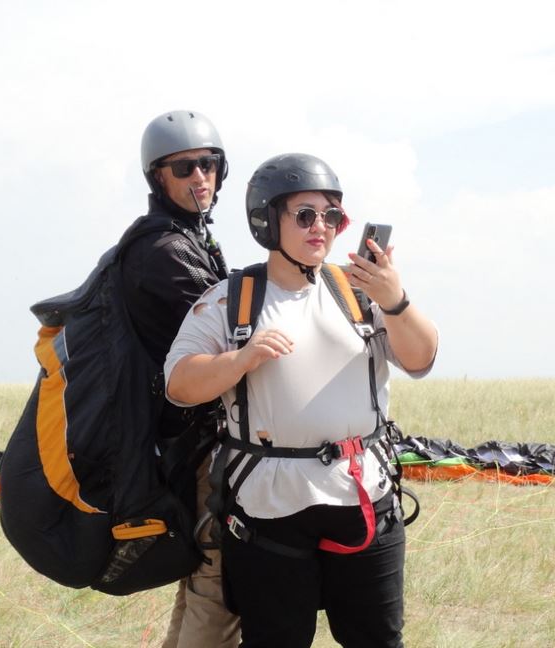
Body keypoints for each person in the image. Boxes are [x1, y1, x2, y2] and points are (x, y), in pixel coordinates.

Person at [163, 153, 438, 647]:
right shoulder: (231, 300)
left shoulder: (362, 293)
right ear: (268, 220)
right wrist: (239, 359)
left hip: (363, 496)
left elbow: (421, 359)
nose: (321, 227)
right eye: (306, 215)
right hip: (269, 509)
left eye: (332, 216)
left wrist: (395, 300)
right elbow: (179, 384)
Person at [126, 110, 240, 648]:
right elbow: (230, 336)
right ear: (159, 177)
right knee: (220, 586)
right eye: (184, 167)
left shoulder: (184, 237)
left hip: (190, 440)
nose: (200, 177)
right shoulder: (165, 251)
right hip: (196, 445)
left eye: (209, 164)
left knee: (201, 581)